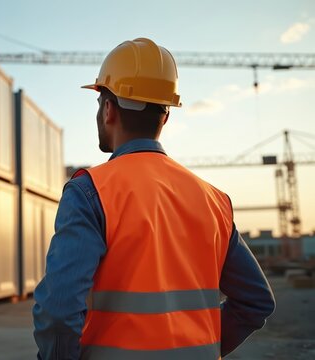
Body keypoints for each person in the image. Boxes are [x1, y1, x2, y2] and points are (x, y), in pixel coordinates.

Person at [32, 38, 276, 360]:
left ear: (108, 110)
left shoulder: (91, 191)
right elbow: (256, 301)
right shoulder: (214, 200)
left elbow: (60, 310)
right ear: (165, 117)